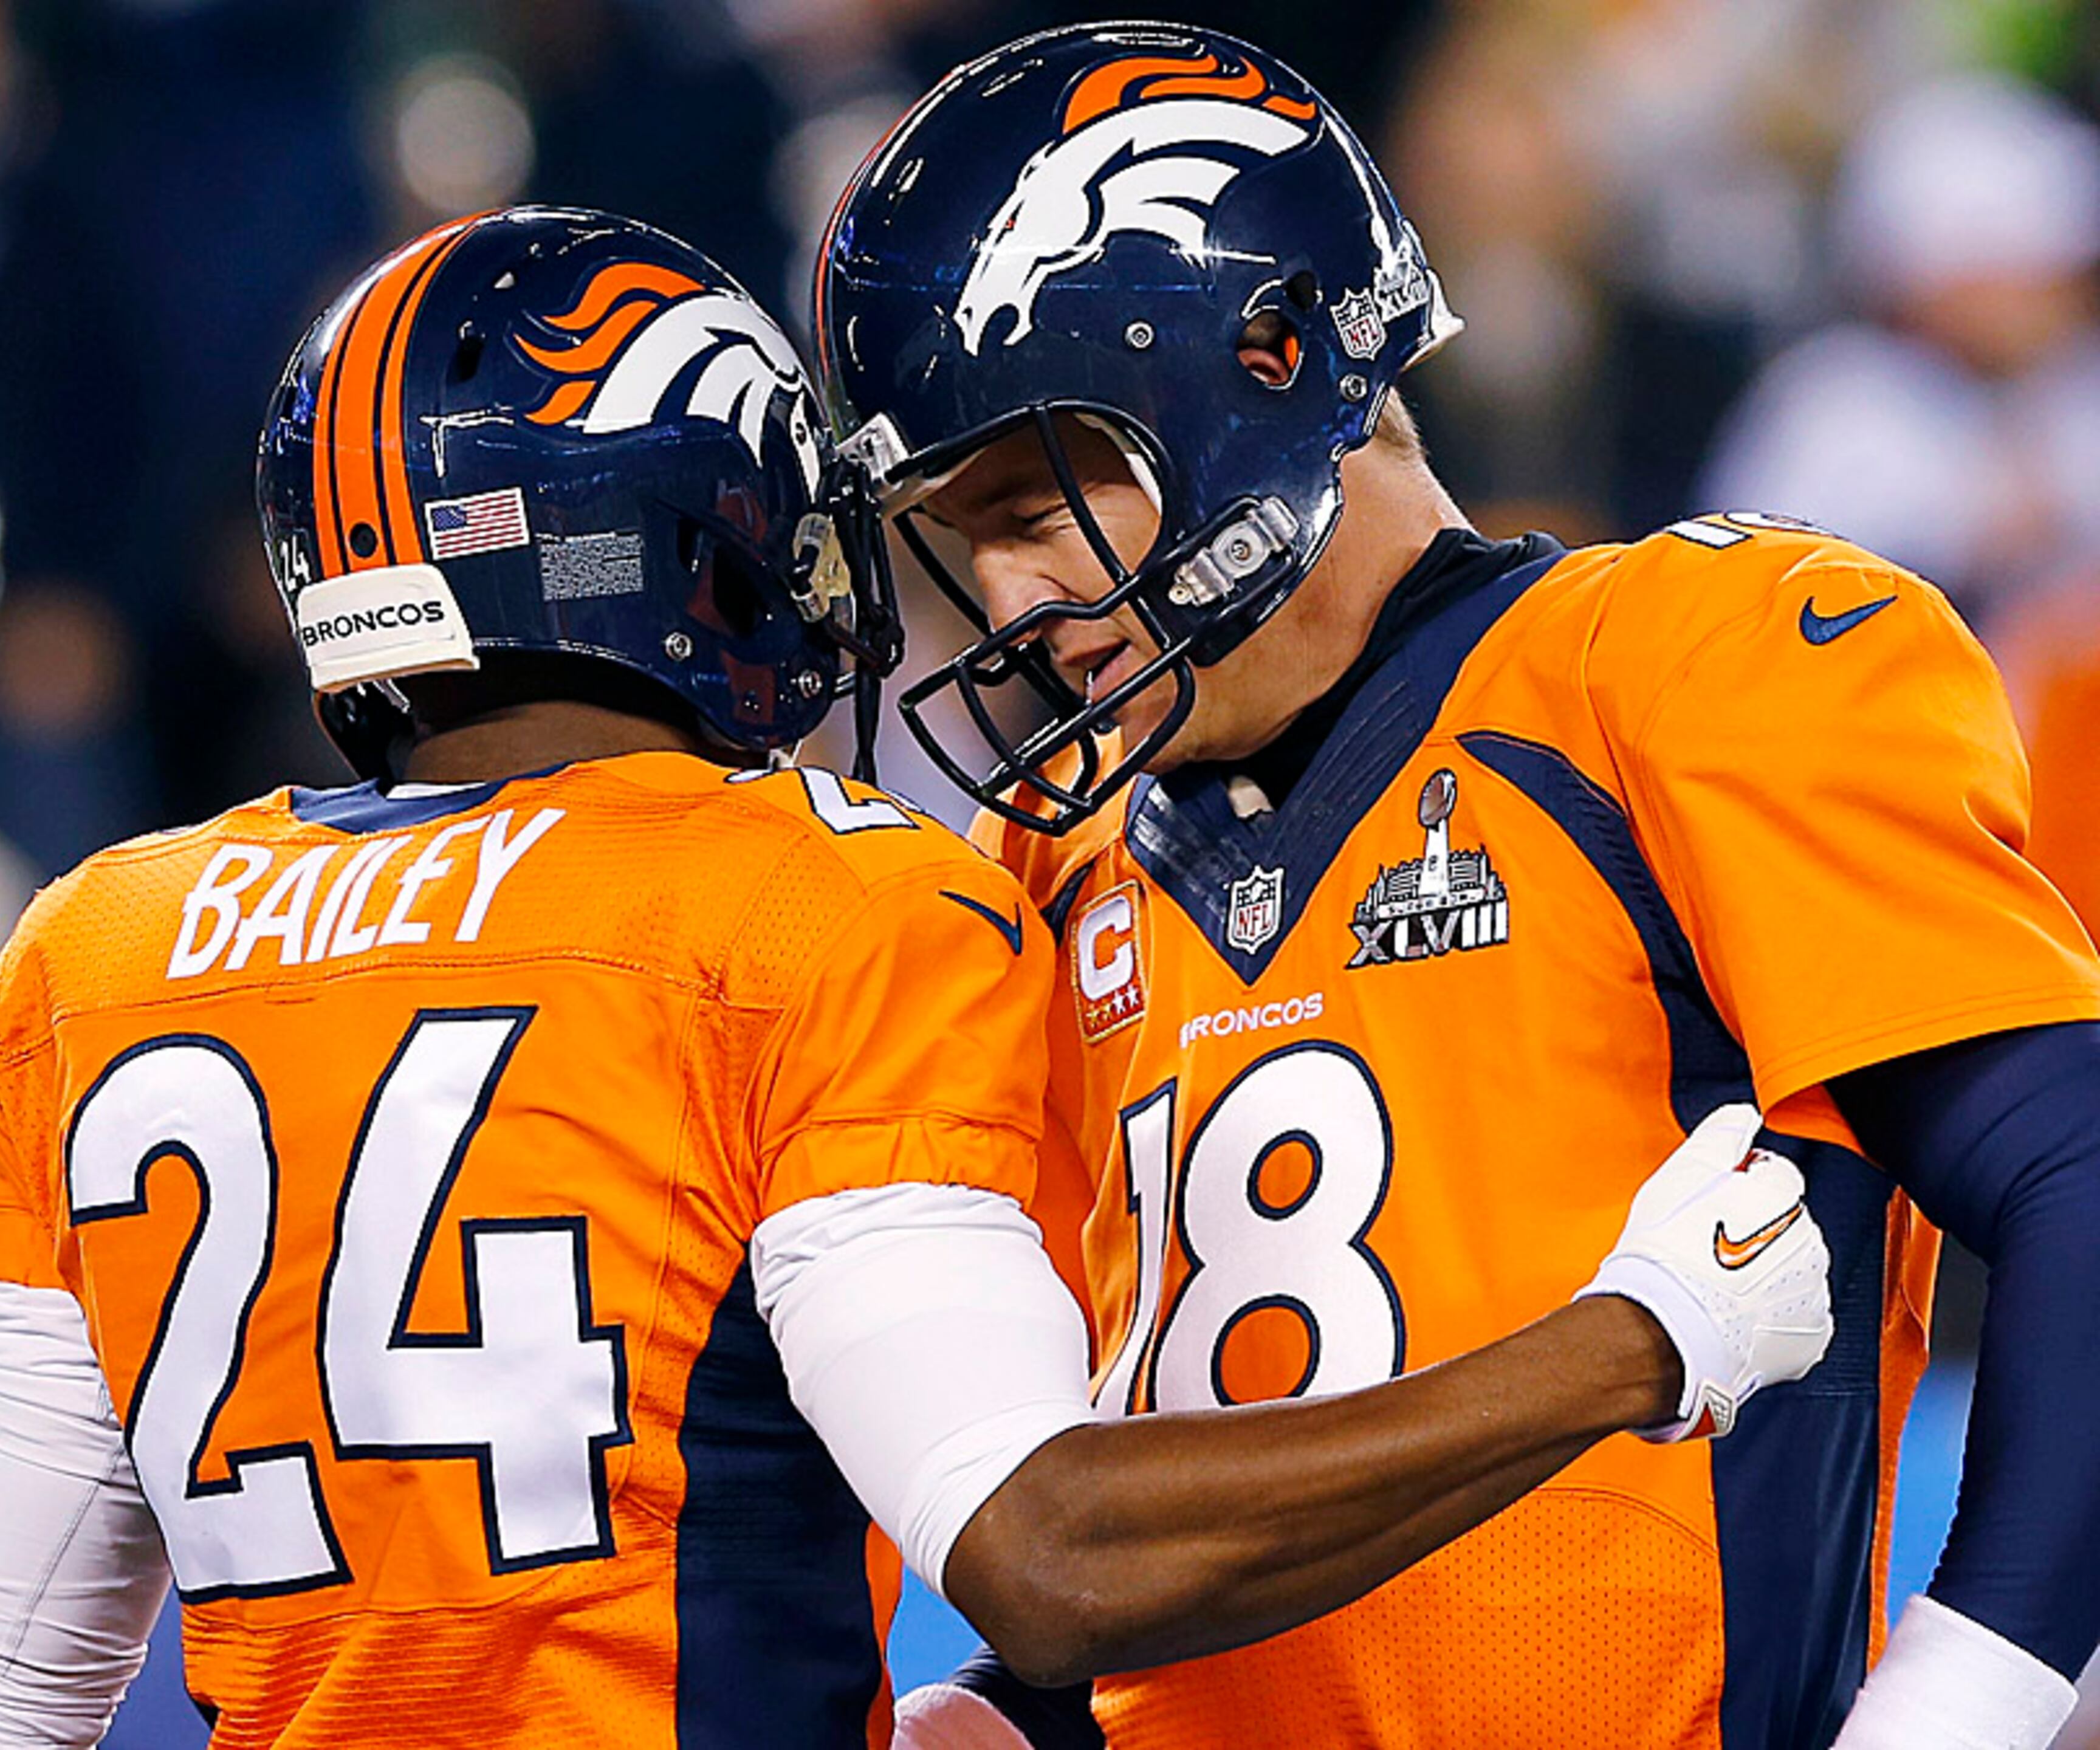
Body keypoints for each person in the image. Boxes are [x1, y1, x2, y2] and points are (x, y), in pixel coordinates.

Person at [0, 207, 1833, 1750]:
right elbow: (1048, 1553)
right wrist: (1630, 1344)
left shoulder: (97, 948)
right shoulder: (809, 898)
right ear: (702, 537)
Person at [814, 22, 2100, 1750]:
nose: (1014, 589)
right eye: (959, 531)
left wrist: (1968, 1699)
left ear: (1276, 358)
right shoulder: (1052, 860)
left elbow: (2078, 1178)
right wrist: (1004, 1713)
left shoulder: (1667, 669)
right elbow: (1114, 1500)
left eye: (1050, 490)